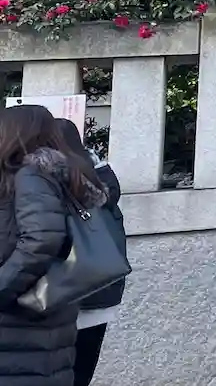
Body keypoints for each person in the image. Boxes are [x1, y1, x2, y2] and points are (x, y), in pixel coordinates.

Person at [0, 104, 108, 386]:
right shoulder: (56, 174)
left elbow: (42, 240)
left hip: (19, 323)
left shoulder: (31, 175)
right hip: (42, 313)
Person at [52, 122, 124, 386]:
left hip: (61, 291)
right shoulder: (100, 179)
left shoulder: (49, 178)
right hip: (100, 287)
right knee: (82, 371)